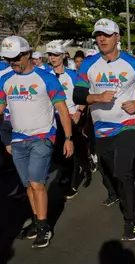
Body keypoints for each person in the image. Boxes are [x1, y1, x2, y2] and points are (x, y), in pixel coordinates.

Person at [73, 18, 135, 241]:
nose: (101, 38)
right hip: (101, 128)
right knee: (112, 173)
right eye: (98, 34)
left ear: (117, 37)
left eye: (106, 35)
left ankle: (131, 218)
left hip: (127, 125)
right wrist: (96, 97)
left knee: (122, 171)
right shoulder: (88, 64)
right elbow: (77, 95)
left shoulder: (134, 63)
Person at [0, 36, 74, 248]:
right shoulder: (5, 80)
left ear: (27, 54)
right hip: (18, 139)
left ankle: (43, 226)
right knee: (28, 186)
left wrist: (68, 138)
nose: (11, 62)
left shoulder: (46, 78)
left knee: (36, 182)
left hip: (42, 137)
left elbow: (62, 109)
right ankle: (36, 220)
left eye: (15, 57)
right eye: (7, 58)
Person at [46, 41, 87, 200]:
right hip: (51, 121)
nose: (52, 58)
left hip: (70, 119)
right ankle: (66, 171)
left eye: (56, 54)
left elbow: (83, 96)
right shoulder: (45, 75)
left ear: (63, 56)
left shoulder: (72, 75)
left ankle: (74, 181)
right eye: (50, 55)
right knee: (57, 154)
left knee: (72, 152)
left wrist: (78, 112)